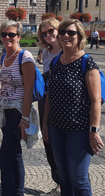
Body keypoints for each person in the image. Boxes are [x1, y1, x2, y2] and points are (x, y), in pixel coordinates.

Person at [42, 19, 104, 196]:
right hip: (57, 128)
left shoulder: (87, 63)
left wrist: (94, 131)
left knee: (78, 178)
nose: (65, 36)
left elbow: (95, 101)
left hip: (79, 130)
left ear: (80, 36)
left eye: (71, 33)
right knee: (64, 177)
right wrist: (45, 124)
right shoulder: (56, 63)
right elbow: (49, 96)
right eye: (62, 32)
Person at [0, 20, 40, 196]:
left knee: (4, 158)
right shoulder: (4, 57)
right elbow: (3, 87)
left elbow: (28, 90)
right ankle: (18, 192)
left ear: (19, 37)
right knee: (15, 154)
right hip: (6, 111)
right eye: (4, 34)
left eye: (11, 34)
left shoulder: (25, 57)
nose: (7, 37)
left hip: (19, 112)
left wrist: (25, 119)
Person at [37, 18, 63, 196]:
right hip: (45, 99)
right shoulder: (46, 53)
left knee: (62, 142)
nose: (48, 36)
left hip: (63, 102)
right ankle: (59, 182)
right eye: (44, 33)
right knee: (48, 141)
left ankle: (67, 184)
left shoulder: (68, 50)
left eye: (51, 31)